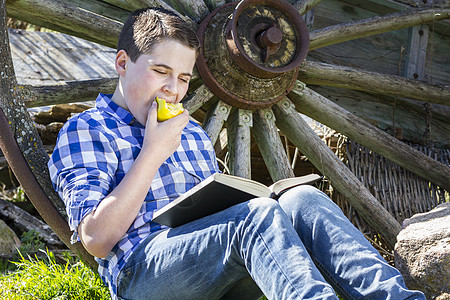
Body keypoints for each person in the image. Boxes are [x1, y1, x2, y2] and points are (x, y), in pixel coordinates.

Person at [48, 7, 425, 300]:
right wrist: (152, 152)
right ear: (122, 63)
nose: (172, 90)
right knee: (254, 216)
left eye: (182, 78)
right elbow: (96, 239)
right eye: (161, 71)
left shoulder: (192, 132)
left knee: (303, 199)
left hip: (216, 267)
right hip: (143, 273)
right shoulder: (90, 129)